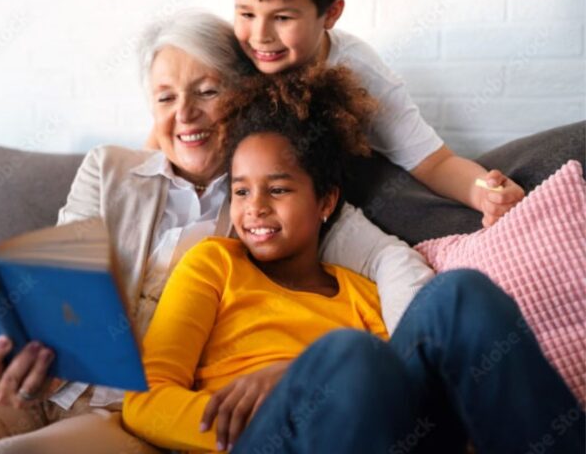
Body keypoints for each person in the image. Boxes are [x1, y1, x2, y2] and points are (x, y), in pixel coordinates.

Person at [0, 12, 433, 453]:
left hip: (124, 413)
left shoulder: (274, 196)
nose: (185, 115)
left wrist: (406, 364)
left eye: (206, 92)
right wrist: (9, 344)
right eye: (166, 98)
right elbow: (54, 275)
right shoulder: (109, 169)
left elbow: (389, 261)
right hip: (37, 374)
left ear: (242, 95)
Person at [124, 67, 585, 453]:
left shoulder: (364, 295)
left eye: (278, 189)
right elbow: (144, 399)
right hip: (263, 441)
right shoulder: (215, 265)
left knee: (460, 292)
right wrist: (286, 401)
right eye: (241, 190)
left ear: (325, 201)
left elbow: (399, 399)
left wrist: (302, 374)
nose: (255, 207)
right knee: (349, 353)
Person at [229, 0, 526, 228]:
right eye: (246, 14)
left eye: (282, 17)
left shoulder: (362, 72)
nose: (260, 35)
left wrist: (484, 193)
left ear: (331, 13)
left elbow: (436, 163)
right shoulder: (226, 55)